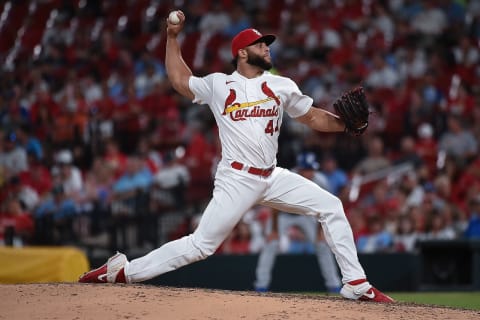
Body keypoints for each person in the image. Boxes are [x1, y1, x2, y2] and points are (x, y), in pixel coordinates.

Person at [79, 11, 394, 303]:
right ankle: (123, 271)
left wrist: (344, 125)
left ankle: (355, 283)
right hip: (237, 178)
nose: (267, 48)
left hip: (271, 176)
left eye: (267, 44)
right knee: (201, 246)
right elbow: (179, 81)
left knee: (332, 206)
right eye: (260, 44)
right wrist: (173, 38)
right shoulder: (219, 84)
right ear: (242, 52)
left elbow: (312, 117)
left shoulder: (280, 85)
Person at [254, 152, 342, 293]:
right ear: (299, 169)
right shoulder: (287, 178)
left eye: (311, 169)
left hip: (305, 215)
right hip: (282, 214)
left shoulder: (321, 181)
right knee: (271, 243)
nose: (309, 173)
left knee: (322, 244)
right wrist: (275, 231)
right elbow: (274, 203)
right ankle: (261, 286)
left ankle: (334, 285)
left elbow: (324, 207)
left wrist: (320, 232)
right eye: (306, 169)